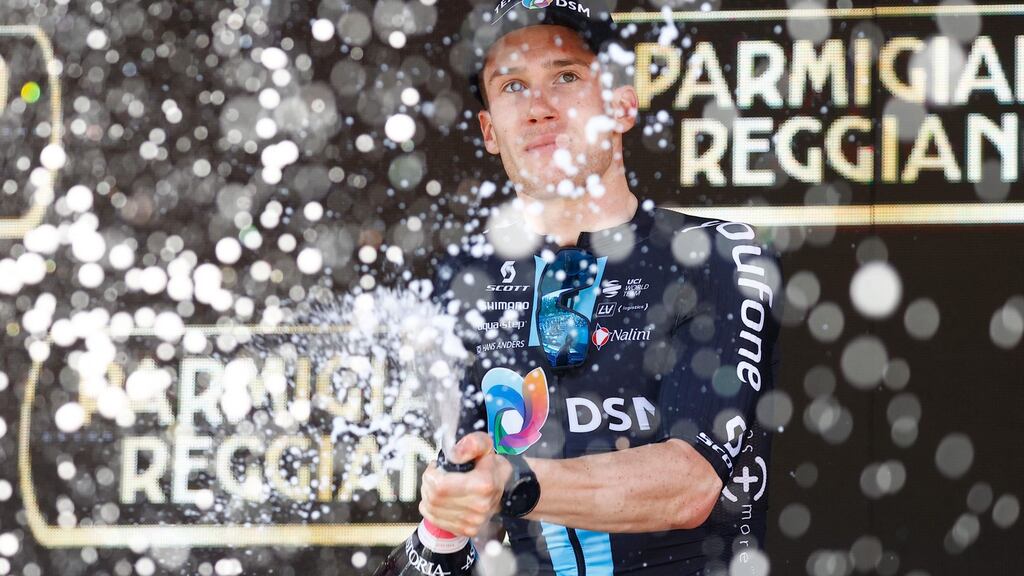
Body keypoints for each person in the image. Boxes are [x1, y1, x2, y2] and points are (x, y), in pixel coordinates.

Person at [421, 2, 782, 574]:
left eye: (566, 76)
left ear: (621, 103)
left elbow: (689, 486)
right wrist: (443, 526)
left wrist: (515, 483)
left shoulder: (716, 255)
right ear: (491, 129)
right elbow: (468, 511)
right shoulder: (464, 285)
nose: (538, 108)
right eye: (512, 85)